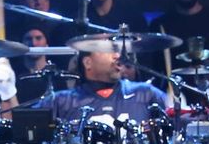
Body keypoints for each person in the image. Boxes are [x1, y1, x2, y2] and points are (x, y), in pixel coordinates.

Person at [35, 39, 167, 125]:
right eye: (108, 51)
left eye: (116, 51)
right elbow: (27, 122)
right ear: (88, 62)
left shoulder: (145, 93)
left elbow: (175, 115)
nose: (117, 56)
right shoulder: (62, 101)